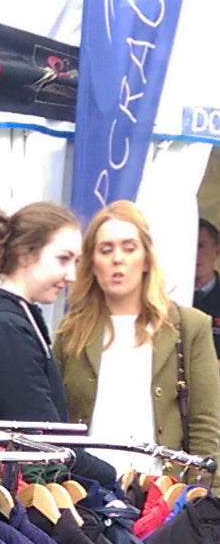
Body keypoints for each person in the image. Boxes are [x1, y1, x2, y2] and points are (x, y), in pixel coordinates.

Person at [0, 201, 117, 487]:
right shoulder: (4, 329)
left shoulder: (14, 319)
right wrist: (114, 477)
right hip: (6, 500)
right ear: (25, 254)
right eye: (63, 259)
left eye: (76, 262)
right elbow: (45, 440)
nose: (72, 275)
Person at [53, 200, 220, 481]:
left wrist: (200, 497)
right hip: (87, 494)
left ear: (146, 258)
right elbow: (55, 422)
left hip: (164, 497)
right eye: (106, 250)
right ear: (92, 262)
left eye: (129, 248)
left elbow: (206, 424)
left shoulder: (189, 326)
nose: (118, 258)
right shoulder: (71, 332)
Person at [193, 217, 220, 360]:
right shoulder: (166, 298)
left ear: (217, 251)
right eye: (188, 246)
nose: (193, 254)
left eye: (200, 246)